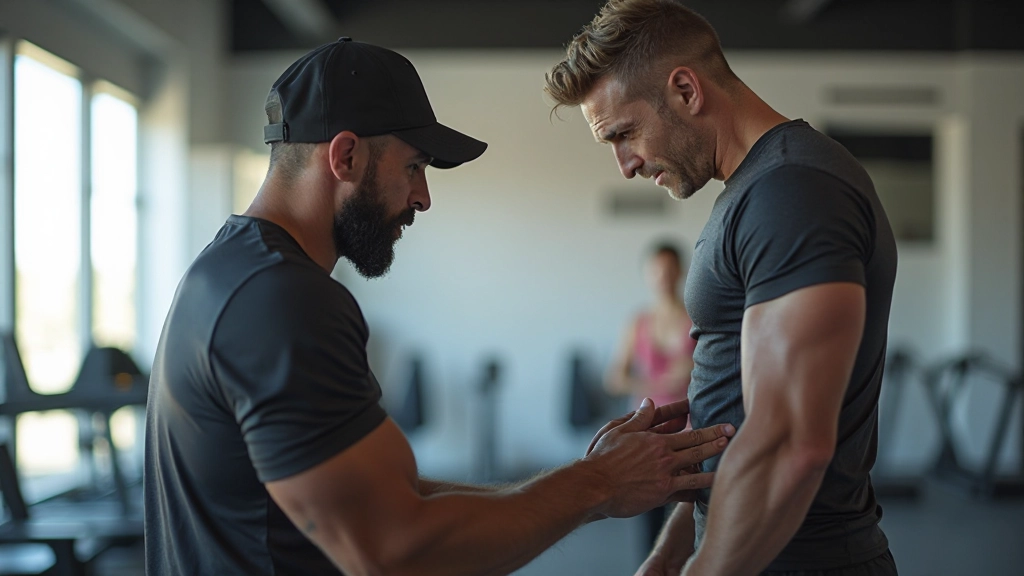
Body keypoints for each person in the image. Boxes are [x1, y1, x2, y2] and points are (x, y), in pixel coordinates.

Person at [144, 37, 735, 576]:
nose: (423, 198)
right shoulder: (283, 300)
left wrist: (589, 479)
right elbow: (396, 549)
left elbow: (392, 494)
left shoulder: (227, 271)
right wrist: (598, 485)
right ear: (345, 157)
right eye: (414, 167)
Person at [545, 1, 899, 575]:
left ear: (685, 90)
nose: (624, 166)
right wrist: (669, 554)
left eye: (625, 133)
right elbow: (728, 429)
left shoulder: (794, 192)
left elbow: (790, 445)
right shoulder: (755, 190)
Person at [607, 242, 697, 550]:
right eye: (657, 270)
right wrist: (657, 382)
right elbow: (615, 379)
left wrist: (690, 371)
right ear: (648, 274)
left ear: (681, 271)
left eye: (670, 270)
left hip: (691, 430)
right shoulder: (638, 323)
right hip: (650, 431)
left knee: (689, 518)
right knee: (649, 519)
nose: (663, 277)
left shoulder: (695, 319)